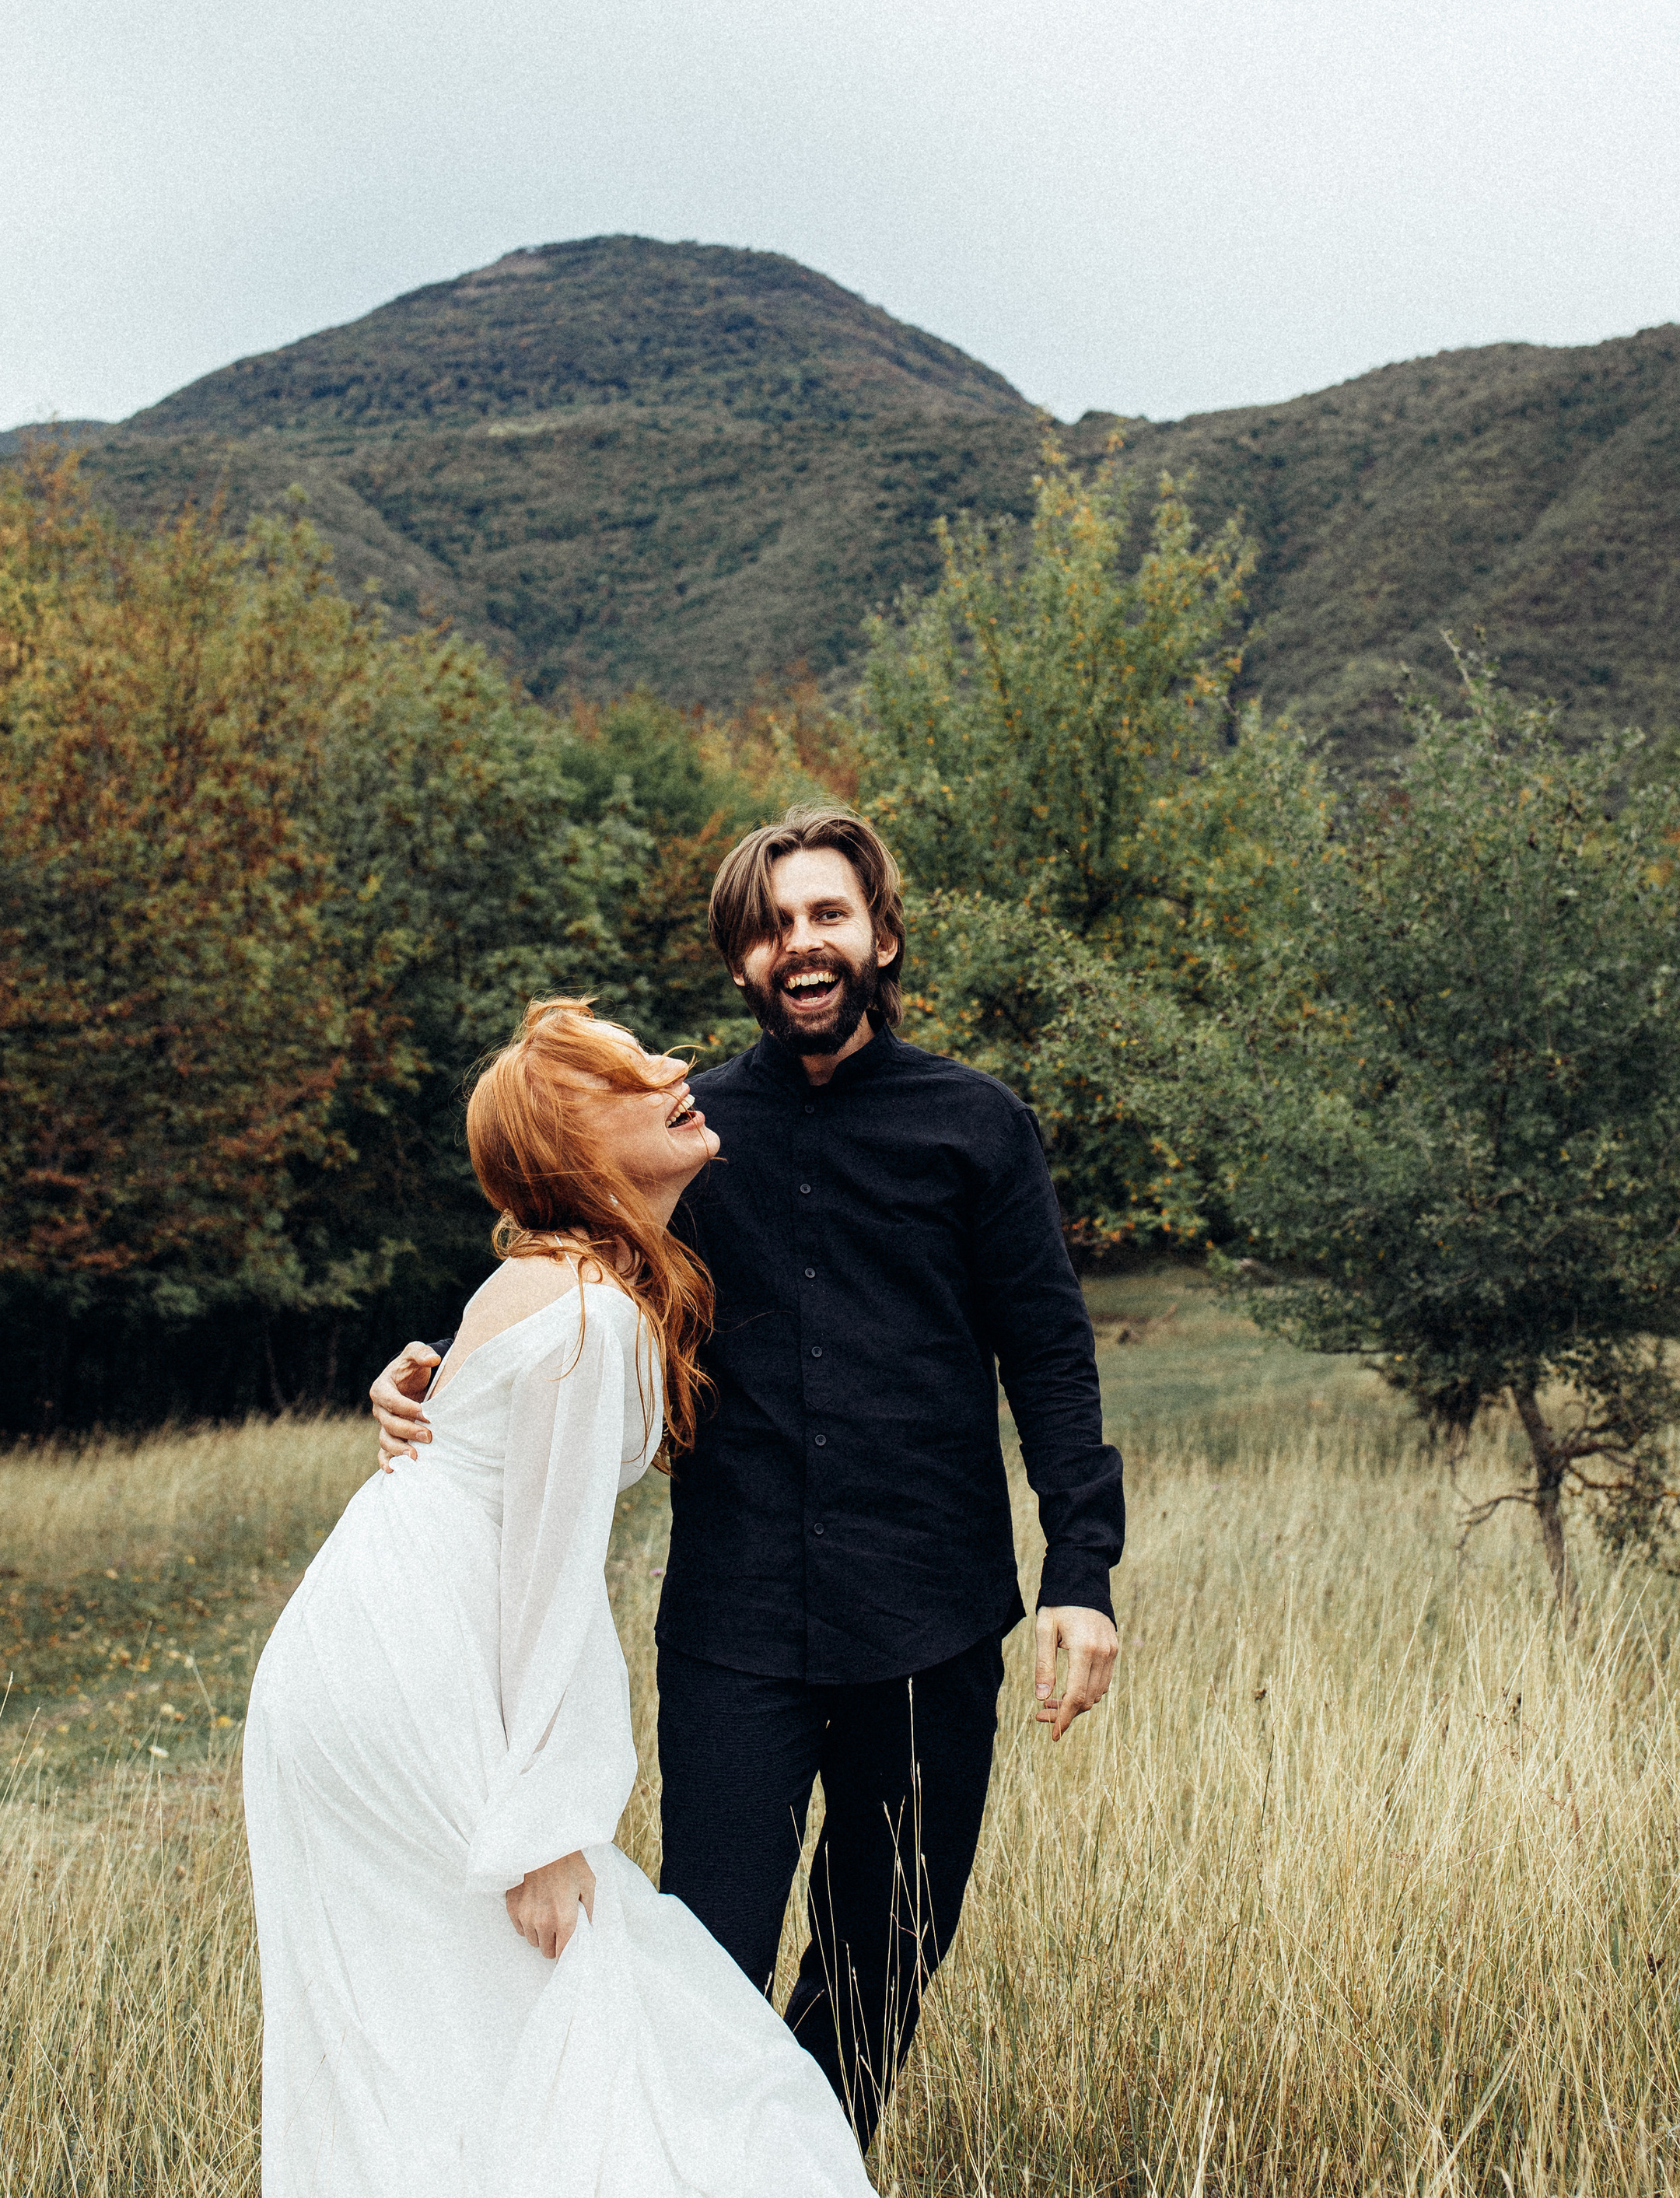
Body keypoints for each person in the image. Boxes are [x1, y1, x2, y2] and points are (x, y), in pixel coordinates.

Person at [373, 805, 1125, 2141]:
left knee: (881, 1970)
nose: (802, 946)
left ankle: (790, 2166)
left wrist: (1083, 1572)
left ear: (880, 935)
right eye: (773, 928)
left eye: (827, 916)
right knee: (701, 1971)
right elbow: (554, 1268)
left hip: (932, 1620)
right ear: (744, 962)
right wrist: (433, 1365)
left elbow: (1051, 1362)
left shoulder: (979, 1125)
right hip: (738, 1632)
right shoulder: (685, 1132)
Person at [245, 999, 872, 2198]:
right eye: (632, 1077)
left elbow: (472, 1437)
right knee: (600, 2001)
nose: (677, 1068)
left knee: (426, 2029)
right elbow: (550, 1583)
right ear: (578, 1156)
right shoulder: (591, 1314)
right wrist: (544, 1829)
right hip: (415, 1669)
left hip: (351, 1649)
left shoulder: (547, 1279)